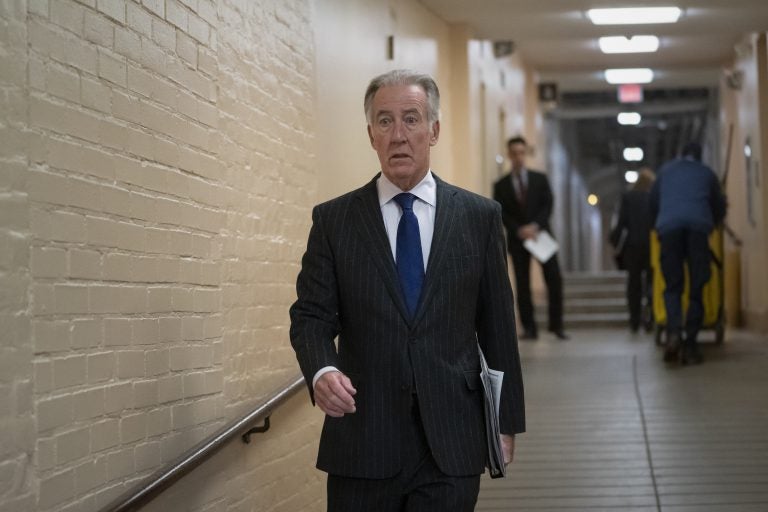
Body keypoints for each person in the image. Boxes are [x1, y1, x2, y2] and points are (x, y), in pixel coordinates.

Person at [289, 69, 525, 511]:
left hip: (452, 440)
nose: (398, 134)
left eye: (411, 119)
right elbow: (310, 317)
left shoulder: (479, 218)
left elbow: (497, 328)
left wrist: (505, 422)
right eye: (384, 121)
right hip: (363, 441)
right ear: (370, 135)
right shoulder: (335, 221)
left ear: (433, 131)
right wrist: (321, 371)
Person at [649, 142, 726, 364]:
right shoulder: (707, 173)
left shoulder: (665, 171)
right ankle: (691, 344)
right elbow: (719, 207)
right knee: (697, 286)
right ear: (700, 156)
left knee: (672, 286)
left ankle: (674, 334)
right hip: (697, 230)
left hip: (669, 229)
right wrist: (712, 221)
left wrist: (659, 226)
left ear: (681, 155)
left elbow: (652, 203)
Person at [493, 136, 568, 340]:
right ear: (509, 155)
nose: (518, 157)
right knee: (522, 284)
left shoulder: (539, 179)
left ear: (525, 154)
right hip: (519, 240)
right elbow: (501, 212)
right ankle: (530, 328)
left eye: (521, 153)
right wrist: (519, 230)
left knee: (554, 279)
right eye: (514, 153)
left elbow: (548, 204)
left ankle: (557, 325)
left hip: (541, 235)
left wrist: (534, 226)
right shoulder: (501, 185)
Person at [610, 168, 655, 332]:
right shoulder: (653, 197)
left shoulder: (628, 197)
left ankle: (634, 321)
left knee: (633, 284)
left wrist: (614, 241)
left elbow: (622, 223)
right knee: (652, 283)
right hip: (652, 247)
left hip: (633, 246)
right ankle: (651, 318)